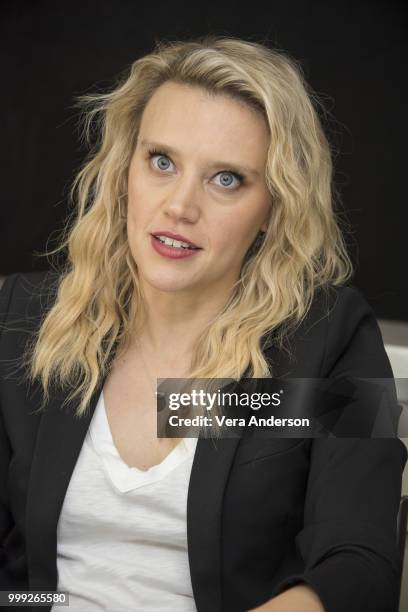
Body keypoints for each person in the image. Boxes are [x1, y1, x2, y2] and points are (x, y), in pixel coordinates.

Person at [0, 34, 406, 612]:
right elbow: (15, 584)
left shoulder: (334, 337)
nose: (180, 206)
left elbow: (360, 570)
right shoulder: (25, 317)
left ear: (274, 208)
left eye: (227, 179)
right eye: (161, 161)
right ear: (124, 169)